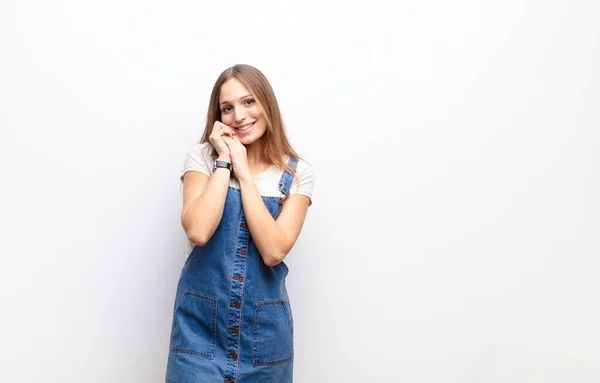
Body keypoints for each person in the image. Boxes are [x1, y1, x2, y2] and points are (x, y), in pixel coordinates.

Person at [166, 64, 315, 383]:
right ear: (218, 116)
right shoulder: (203, 158)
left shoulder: (297, 173)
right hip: (199, 334)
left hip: (264, 340)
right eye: (227, 108)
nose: (239, 115)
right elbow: (198, 230)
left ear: (266, 103)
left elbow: (274, 250)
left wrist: (245, 175)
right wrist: (224, 161)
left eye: (248, 102)